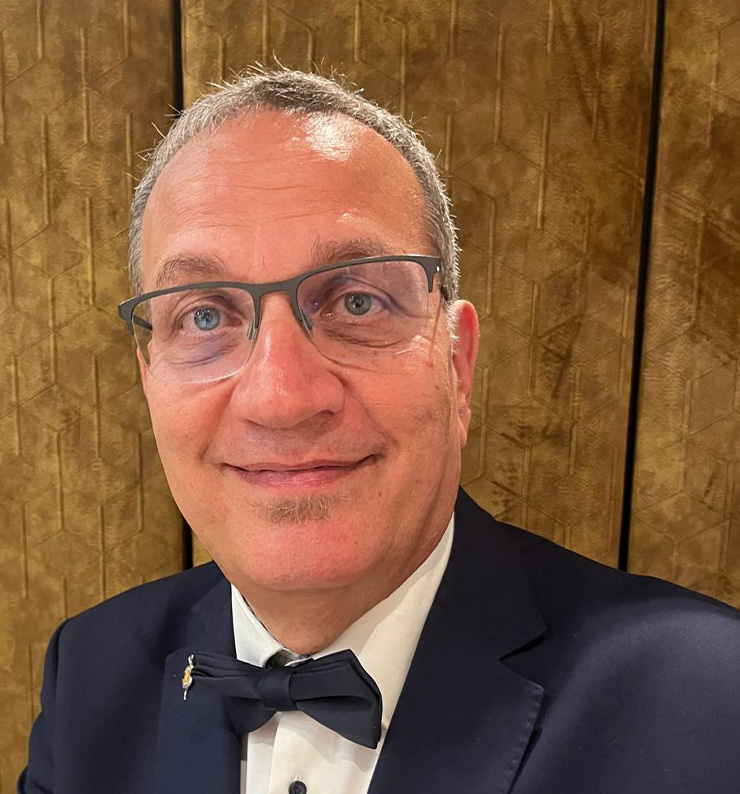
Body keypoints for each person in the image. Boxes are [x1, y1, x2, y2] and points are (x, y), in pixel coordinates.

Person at [19, 68, 740, 794]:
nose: (280, 398)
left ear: (457, 365)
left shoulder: (709, 700)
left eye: (357, 302)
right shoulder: (88, 674)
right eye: (205, 316)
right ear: (150, 380)